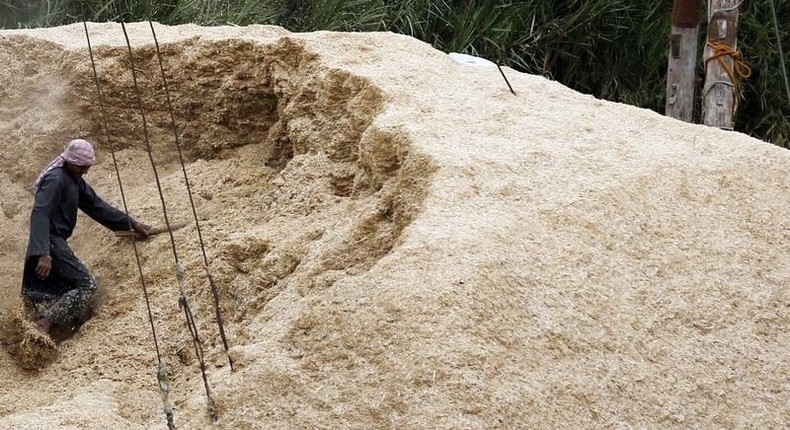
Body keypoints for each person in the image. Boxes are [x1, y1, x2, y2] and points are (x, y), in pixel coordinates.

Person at [21, 138, 151, 337]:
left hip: (55, 243)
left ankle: (52, 327)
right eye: (82, 166)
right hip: (50, 243)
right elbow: (40, 214)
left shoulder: (74, 180)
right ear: (71, 161)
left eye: (87, 166)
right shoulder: (56, 180)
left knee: (68, 287)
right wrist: (43, 253)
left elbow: (96, 206)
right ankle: (44, 324)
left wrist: (131, 224)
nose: (86, 171)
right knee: (87, 285)